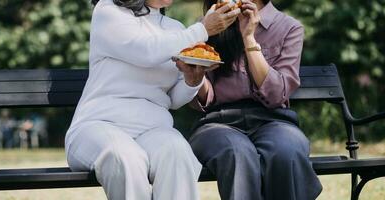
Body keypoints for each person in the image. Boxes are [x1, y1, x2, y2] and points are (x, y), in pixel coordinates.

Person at [64, 0, 240, 199]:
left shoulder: (176, 29)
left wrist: (192, 80)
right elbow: (146, 51)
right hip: (99, 125)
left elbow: (173, 99)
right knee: (125, 156)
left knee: (178, 153)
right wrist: (203, 29)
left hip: (153, 130)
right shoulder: (109, 11)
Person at [179, 0, 323, 199]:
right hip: (216, 123)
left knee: (287, 151)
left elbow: (276, 95)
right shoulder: (208, 24)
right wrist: (196, 77)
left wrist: (249, 38)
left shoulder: (289, 28)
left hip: (273, 120)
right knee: (237, 153)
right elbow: (204, 102)